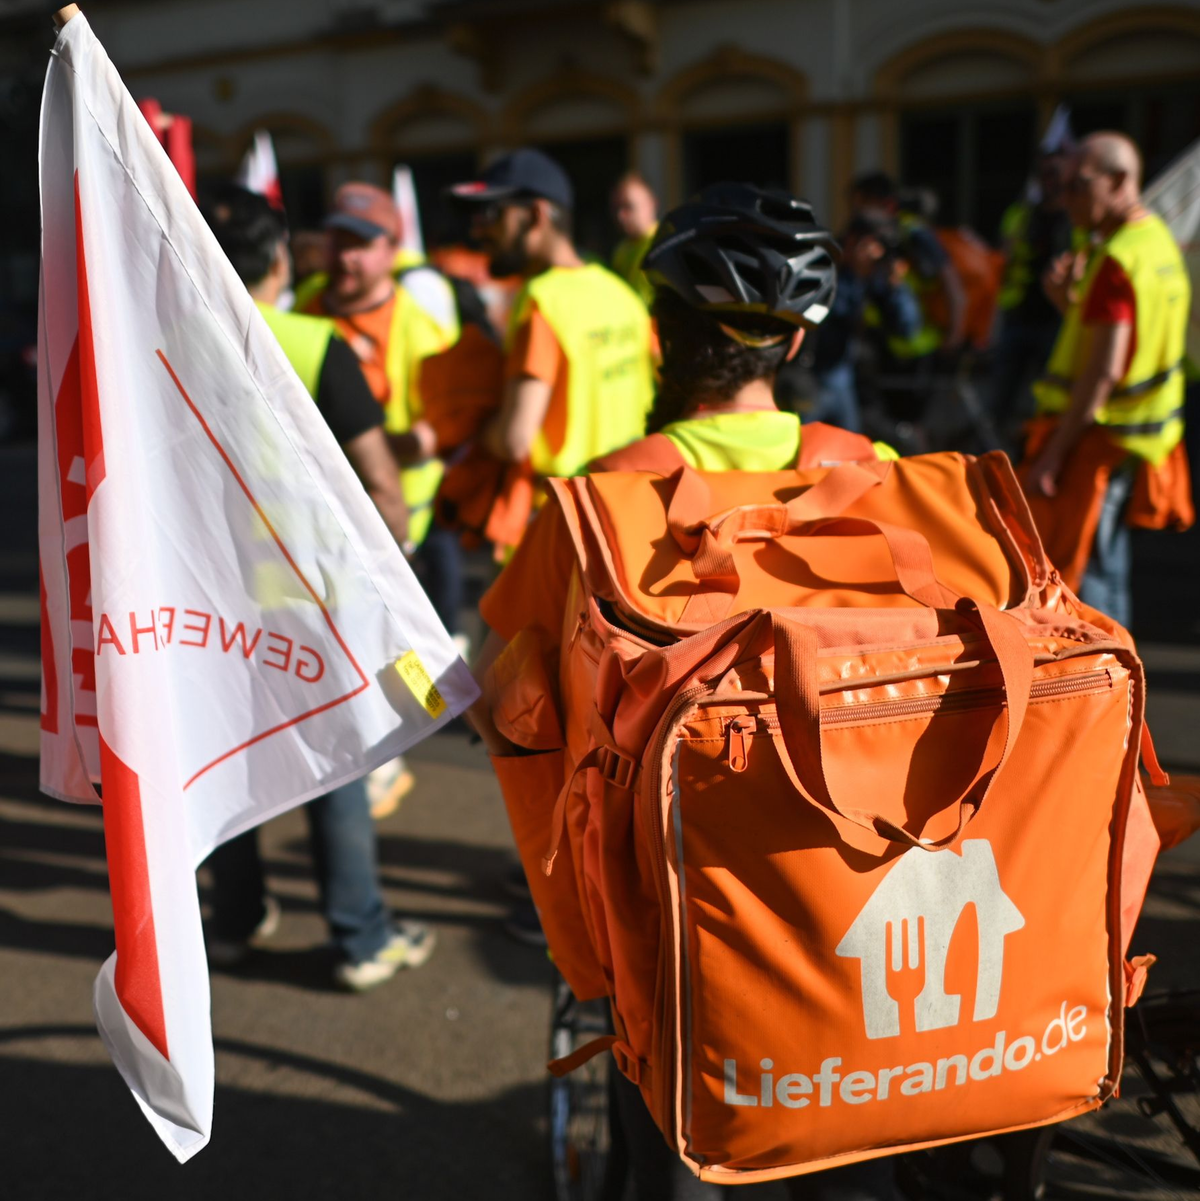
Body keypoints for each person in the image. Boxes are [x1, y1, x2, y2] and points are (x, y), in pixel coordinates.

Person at [469, 185, 898, 1200]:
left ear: (663, 337)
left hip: (680, 907)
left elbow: (507, 695)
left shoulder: (603, 498)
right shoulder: (878, 470)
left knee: (673, 1143)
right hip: (862, 880)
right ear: (793, 349)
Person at [200, 185, 435, 991]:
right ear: (276, 262)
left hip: (212, 599)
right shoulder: (312, 342)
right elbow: (381, 480)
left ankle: (233, 919)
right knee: (339, 763)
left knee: (232, 759)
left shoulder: (170, 342)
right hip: (316, 598)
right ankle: (360, 936)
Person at [1024, 131, 1193, 629]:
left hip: (1099, 439)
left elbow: (1104, 370)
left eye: (1077, 185)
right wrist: (1067, 304)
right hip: (1139, 436)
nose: (1066, 198)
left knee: (1090, 576)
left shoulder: (1117, 259)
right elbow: (1126, 342)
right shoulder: (1155, 241)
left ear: (1119, 181)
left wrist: (1054, 453)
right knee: (1109, 564)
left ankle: (1108, 688)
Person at [450, 148, 655, 485]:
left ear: (535, 215)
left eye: (490, 214)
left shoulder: (541, 301)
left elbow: (515, 440)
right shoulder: (621, 294)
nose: (477, 231)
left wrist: (473, 429)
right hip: (626, 500)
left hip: (562, 512)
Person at [990, 151, 1075, 451]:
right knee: (1002, 396)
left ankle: (1037, 451)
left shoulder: (1077, 216)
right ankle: (1000, 452)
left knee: (1046, 396)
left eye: (1055, 173)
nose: (1049, 181)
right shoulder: (1023, 213)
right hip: (1018, 315)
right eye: (1044, 174)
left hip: (1056, 319)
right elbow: (1002, 258)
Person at [808, 210, 923, 433]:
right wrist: (855, 274)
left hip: (844, 380)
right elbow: (833, 314)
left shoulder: (872, 278)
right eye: (874, 244)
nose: (877, 253)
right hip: (811, 379)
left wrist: (895, 287)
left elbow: (907, 328)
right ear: (853, 241)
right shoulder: (826, 265)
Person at [610, 172, 659, 308]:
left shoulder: (661, 243)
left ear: (651, 204)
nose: (621, 215)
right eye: (616, 208)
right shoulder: (621, 249)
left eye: (628, 206)